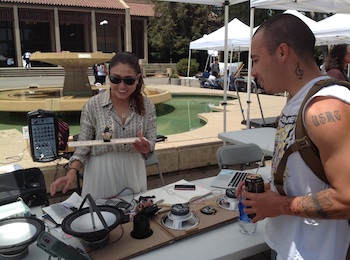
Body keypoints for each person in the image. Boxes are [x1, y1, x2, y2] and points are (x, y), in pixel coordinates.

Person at [238, 13, 350, 260]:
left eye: (255, 60)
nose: (253, 71)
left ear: (282, 52)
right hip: (291, 246)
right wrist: (272, 192)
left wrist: (277, 205)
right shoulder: (297, 100)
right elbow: (312, 179)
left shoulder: (325, 108)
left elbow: (347, 197)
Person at [50, 52, 157, 200]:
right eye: (115, 79)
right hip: (101, 173)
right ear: (108, 75)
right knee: (101, 218)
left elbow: (151, 140)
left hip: (133, 171)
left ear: (138, 79)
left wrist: (148, 147)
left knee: (132, 217)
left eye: (129, 81)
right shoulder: (93, 105)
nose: (121, 86)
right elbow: (83, 146)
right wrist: (72, 171)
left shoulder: (147, 106)